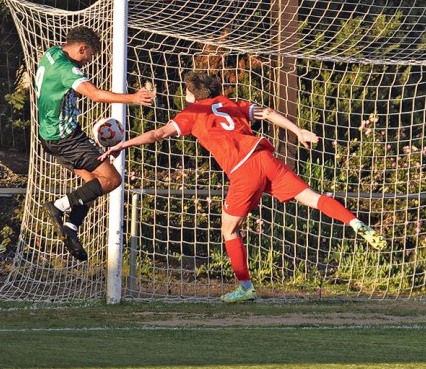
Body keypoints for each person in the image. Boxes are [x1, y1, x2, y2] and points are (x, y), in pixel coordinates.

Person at [99, 71, 387, 303]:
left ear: (192, 94)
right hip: (265, 158)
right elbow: (268, 112)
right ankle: (355, 222)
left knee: (229, 230)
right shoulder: (229, 102)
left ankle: (245, 287)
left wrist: (123, 145)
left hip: (244, 170)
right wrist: (298, 130)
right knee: (314, 198)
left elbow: (157, 134)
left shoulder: (192, 112)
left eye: (185, 90)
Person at [37, 26, 155, 261]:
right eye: (90, 55)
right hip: (66, 138)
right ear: (82, 48)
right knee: (112, 180)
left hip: (49, 136)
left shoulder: (52, 53)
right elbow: (95, 94)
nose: (89, 60)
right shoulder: (67, 69)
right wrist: (133, 98)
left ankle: (71, 228)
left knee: (93, 184)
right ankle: (58, 206)